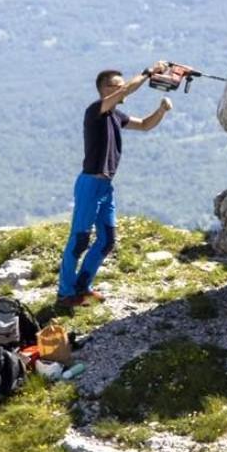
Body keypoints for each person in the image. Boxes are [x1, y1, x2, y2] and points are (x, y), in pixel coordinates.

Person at [57, 62, 173, 307]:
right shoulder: (95, 111)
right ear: (105, 90)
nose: (122, 90)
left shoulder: (116, 116)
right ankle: (65, 293)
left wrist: (161, 110)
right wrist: (147, 73)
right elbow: (125, 93)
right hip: (89, 184)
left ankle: (82, 287)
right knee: (79, 240)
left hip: (105, 187)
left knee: (107, 240)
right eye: (117, 86)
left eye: (122, 85)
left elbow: (144, 125)